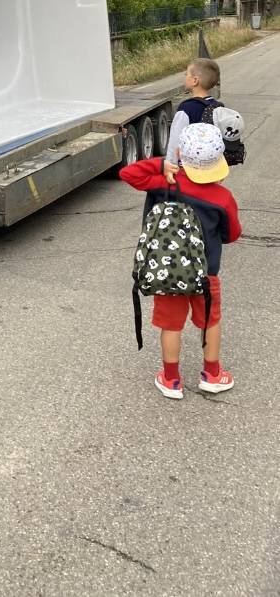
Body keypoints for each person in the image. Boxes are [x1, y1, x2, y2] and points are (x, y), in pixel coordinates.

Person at [120, 123, 242, 399]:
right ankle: (212, 375)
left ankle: (171, 379)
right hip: (206, 274)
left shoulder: (165, 183)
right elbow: (232, 234)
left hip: (167, 272)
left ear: (179, 154)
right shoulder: (223, 198)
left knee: (171, 325)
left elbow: (127, 173)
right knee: (210, 321)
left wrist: (162, 164)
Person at [164, 58, 220, 177]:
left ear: (195, 80)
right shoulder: (217, 106)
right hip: (211, 168)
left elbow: (175, 141)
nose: (185, 77)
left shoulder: (186, 108)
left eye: (187, 74)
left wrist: (170, 166)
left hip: (188, 170)